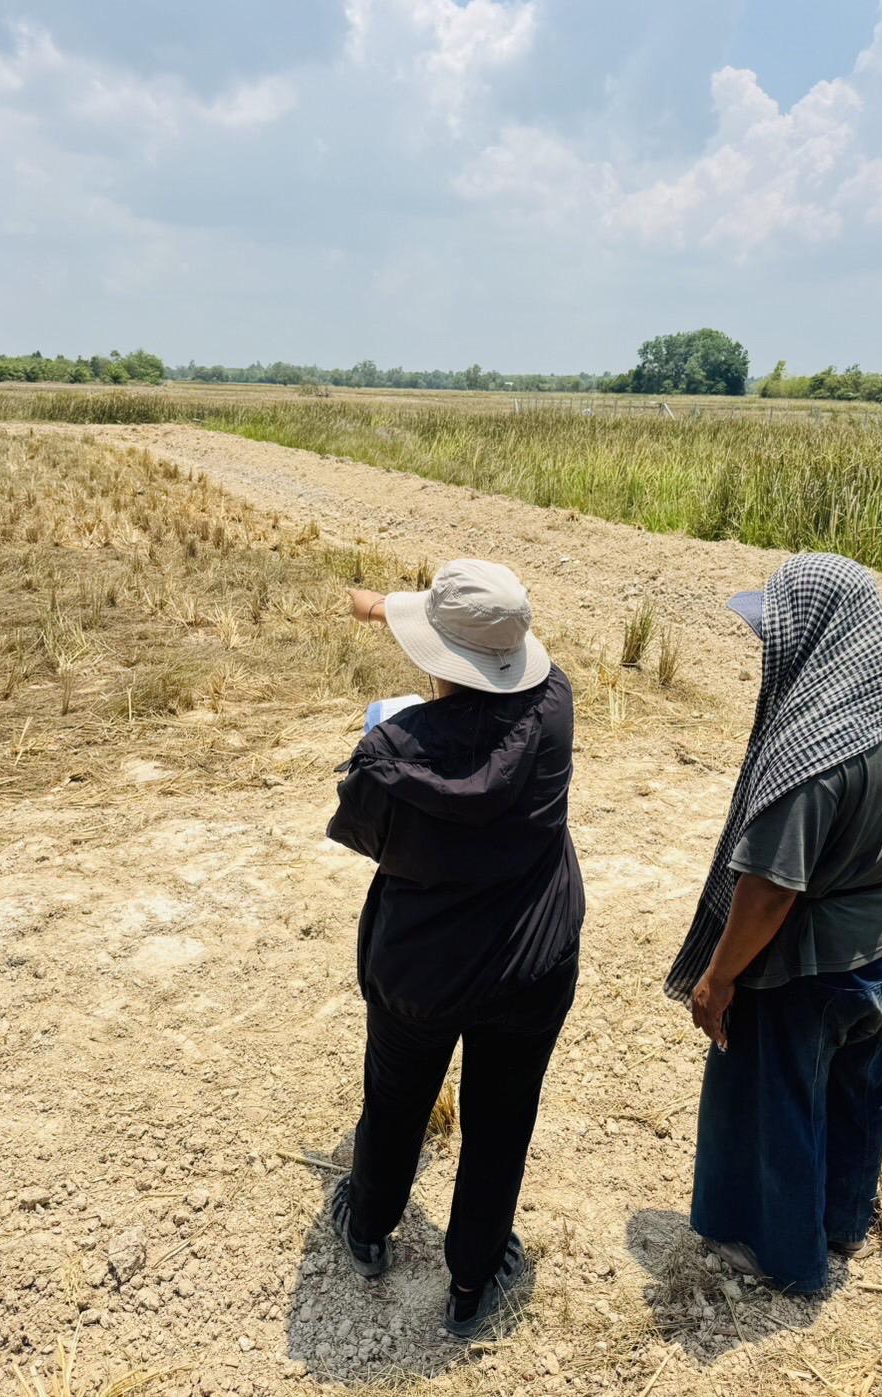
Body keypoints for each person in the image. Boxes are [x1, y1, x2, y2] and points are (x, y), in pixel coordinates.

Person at [665, 553, 882, 1294]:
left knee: (779, 1103)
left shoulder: (813, 744)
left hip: (811, 960)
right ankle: (843, 1225)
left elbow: (769, 889)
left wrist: (718, 977)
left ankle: (786, 1258)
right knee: (860, 1093)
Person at [326, 558, 584, 1338]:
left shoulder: (389, 754)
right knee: (501, 1122)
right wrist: (386, 609)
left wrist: (401, 727)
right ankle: (473, 1277)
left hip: (422, 969)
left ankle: (368, 1226)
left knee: (395, 1099)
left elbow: (366, 834)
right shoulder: (555, 704)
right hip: (533, 956)